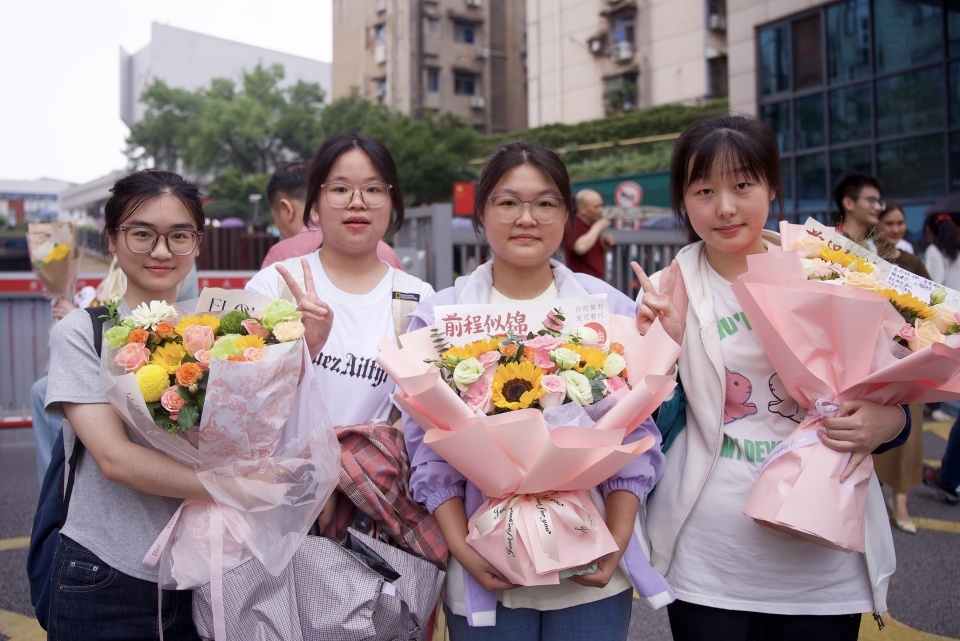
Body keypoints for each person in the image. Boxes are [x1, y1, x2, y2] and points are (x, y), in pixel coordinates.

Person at [635, 115, 909, 641]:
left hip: (823, 551)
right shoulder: (671, 288)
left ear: (772, 188)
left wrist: (889, 421)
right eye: (704, 190)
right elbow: (643, 421)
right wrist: (657, 351)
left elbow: (893, 387)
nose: (725, 207)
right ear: (682, 201)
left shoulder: (828, 268)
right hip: (711, 554)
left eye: (742, 185)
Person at [403, 141, 667, 641]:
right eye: (508, 202)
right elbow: (426, 445)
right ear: (481, 214)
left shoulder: (605, 309)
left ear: (567, 215)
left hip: (592, 566)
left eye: (545, 203)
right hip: (485, 563)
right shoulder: (442, 317)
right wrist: (462, 548)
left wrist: (619, 535)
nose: (527, 218)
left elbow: (636, 431)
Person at [43, 170, 209, 639]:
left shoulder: (219, 333)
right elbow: (114, 458)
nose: (161, 251)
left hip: (207, 574)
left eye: (179, 236)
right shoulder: (82, 331)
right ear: (112, 241)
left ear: (197, 244)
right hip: (107, 574)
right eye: (142, 235)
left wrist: (305, 352)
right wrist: (231, 488)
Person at [873, 201, 931, 533]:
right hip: (876, 359)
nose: (895, 228)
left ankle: (901, 502)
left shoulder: (913, 263)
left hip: (911, 357)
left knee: (909, 435)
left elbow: (935, 309)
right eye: (889, 222)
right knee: (877, 434)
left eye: (900, 222)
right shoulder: (868, 264)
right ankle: (878, 499)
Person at [259, 161, 404, 271]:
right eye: (341, 189)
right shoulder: (385, 251)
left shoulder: (280, 255)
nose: (357, 203)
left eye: (372, 189)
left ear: (286, 209)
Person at [562, 188, 613, 279]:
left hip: (595, 279)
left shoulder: (591, 225)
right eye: (596, 207)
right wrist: (598, 227)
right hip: (580, 282)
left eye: (602, 206)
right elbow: (580, 248)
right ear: (582, 209)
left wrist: (604, 244)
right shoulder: (572, 224)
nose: (601, 210)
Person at [831, 172, 885, 251]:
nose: (878, 207)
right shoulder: (831, 242)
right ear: (848, 203)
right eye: (871, 200)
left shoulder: (872, 247)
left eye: (879, 202)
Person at [922, 211, 960, 291]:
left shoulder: (933, 251)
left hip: (947, 302)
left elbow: (933, 283)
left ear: (928, 230)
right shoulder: (956, 251)